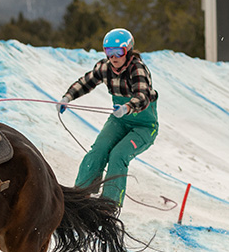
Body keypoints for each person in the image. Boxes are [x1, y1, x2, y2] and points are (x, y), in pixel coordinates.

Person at [58, 28, 159, 207]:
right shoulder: (105, 67)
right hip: (119, 121)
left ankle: (109, 205)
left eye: (118, 52)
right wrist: (68, 97)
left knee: (118, 155)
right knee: (99, 150)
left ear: (127, 51)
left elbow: (143, 95)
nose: (113, 57)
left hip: (143, 126)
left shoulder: (137, 69)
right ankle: (80, 194)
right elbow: (86, 82)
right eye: (109, 52)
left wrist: (128, 107)